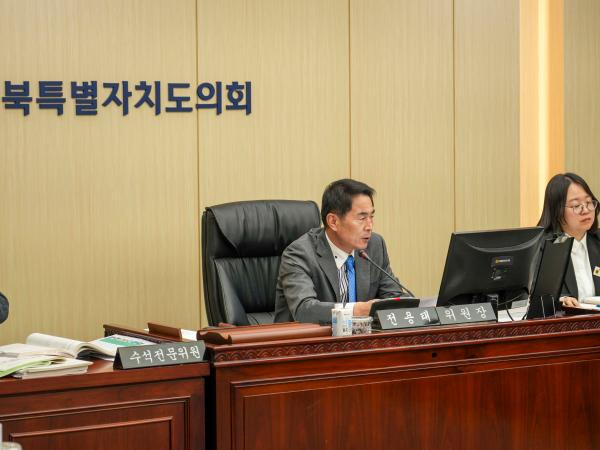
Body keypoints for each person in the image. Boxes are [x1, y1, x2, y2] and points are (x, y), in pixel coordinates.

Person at [274, 179, 411, 323]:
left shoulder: (374, 246)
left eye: (371, 217)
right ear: (333, 221)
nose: (369, 226)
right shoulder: (299, 254)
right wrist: (357, 310)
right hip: (309, 337)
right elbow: (305, 310)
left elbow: (394, 296)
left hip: (363, 337)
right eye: (362, 218)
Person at [537, 172, 600, 308]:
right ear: (557, 211)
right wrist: (561, 299)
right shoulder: (542, 248)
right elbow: (536, 296)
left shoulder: (597, 241)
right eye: (576, 205)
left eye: (589, 202)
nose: (586, 210)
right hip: (564, 319)